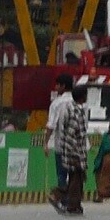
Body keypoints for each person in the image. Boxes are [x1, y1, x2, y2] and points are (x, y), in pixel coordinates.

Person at [56, 85, 89, 215]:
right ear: (82, 97)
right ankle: (70, 204)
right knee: (76, 180)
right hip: (75, 153)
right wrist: (74, 155)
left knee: (76, 180)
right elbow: (71, 135)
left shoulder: (71, 108)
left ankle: (74, 204)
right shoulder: (76, 113)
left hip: (74, 152)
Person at [44, 73, 74, 210]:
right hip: (75, 146)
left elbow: (51, 125)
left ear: (63, 86)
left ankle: (63, 201)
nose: (56, 88)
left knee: (61, 174)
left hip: (60, 145)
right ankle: (74, 201)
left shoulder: (56, 103)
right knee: (74, 175)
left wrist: (45, 143)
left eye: (57, 85)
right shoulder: (78, 102)